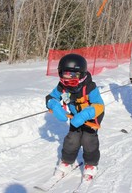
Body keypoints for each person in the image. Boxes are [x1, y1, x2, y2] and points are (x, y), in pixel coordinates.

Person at [45, 53, 104, 181]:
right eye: (65, 74)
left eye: (72, 75)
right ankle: (67, 161)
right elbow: (51, 97)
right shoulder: (63, 86)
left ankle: (91, 164)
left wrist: (85, 115)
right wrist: (54, 105)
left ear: (81, 74)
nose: (68, 78)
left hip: (91, 116)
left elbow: (99, 106)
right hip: (75, 116)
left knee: (88, 139)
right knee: (72, 138)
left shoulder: (90, 87)